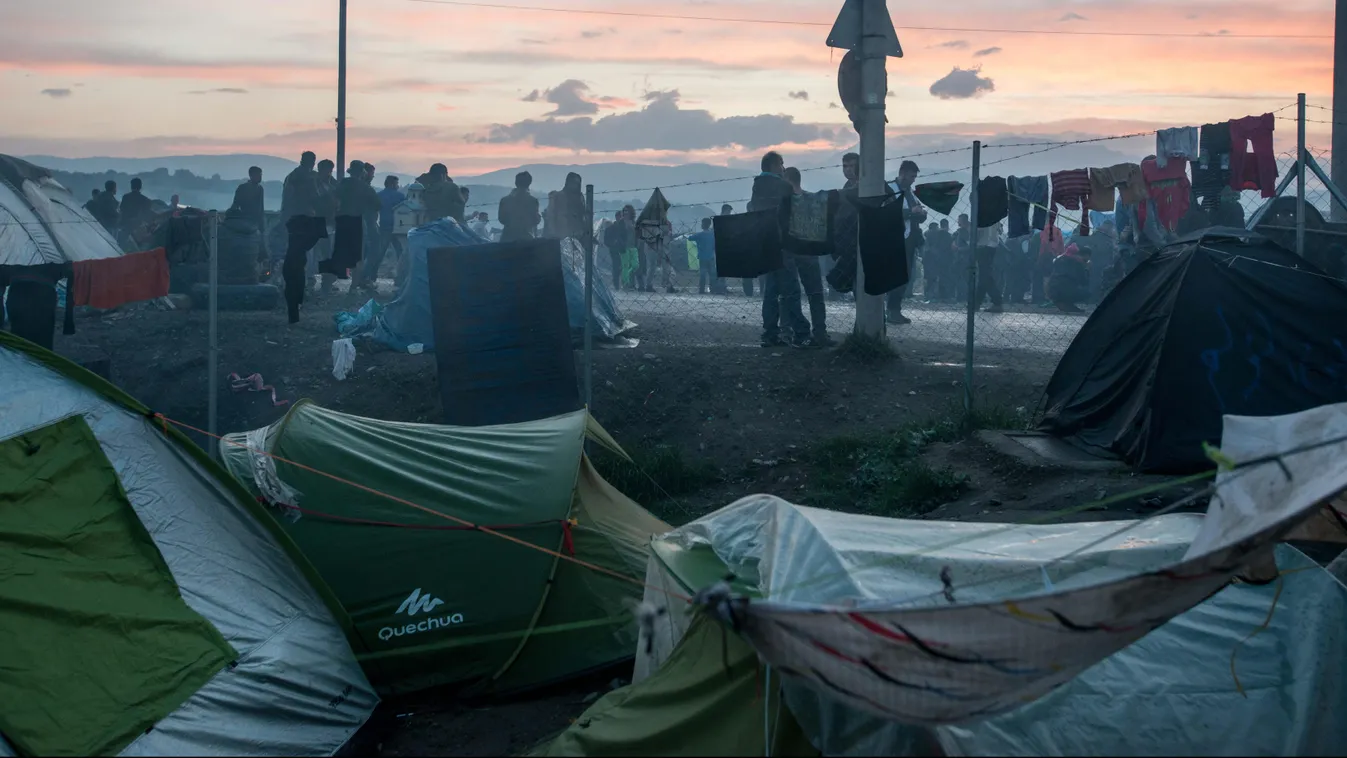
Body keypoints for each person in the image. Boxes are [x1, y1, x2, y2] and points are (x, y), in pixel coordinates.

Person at [750, 151, 809, 348]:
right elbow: (795, 211)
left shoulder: (757, 185)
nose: (784, 168)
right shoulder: (783, 186)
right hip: (784, 244)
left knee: (771, 290)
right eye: (782, 164)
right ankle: (801, 332)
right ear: (775, 166)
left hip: (765, 244)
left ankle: (770, 333)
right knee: (791, 290)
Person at [784, 166, 832, 346]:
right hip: (810, 250)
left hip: (790, 251)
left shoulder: (784, 201)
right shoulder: (813, 199)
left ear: (787, 181)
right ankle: (820, 332)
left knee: (790, 294)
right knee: (815, 294)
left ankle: (793, 332)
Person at [887, 160, 926, 325]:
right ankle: (890, 311)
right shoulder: (889, 189)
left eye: (915, 177)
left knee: (905, 277)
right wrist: (911, 212)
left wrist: (919, 213)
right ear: (902, 174)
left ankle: (894, 310)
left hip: (909, 240)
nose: (913, 180)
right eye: (911, 176)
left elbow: (919, 215)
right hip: (891, 239)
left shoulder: (910, 193)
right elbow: (887, 212)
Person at [356, 175, 406, 292]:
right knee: (401, 253)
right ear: (393, 184)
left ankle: (370, 277)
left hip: (384, 226)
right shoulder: (400, 196)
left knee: (379, 253)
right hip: (399, 228)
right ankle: (401, 278)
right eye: (397, 184)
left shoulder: (379, 195)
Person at [230, 167, 268, 263]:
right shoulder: (243, 188)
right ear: (251, 175)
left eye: (261, 174)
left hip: (256, 223)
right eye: (258, 174)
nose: (260, 177)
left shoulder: (260, 189)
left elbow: (260, 208)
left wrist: (261, 223)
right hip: (246, 222)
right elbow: (236, 205)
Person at [498, 171, 541, 243]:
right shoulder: (533, 201)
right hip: (526, 239)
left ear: (515, 183)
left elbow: (501, 219)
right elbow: (535, 220)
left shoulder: (504, 200)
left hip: (507, 238)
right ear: (529, 183)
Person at [545, 172, 587, 241]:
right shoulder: (558, 196)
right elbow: (551, 215)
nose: (575, 185)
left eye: (577, 183)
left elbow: (583, 216)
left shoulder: (580, 197)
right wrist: (553, 233)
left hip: (579, 234)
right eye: (573, 183)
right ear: (567, 183)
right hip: (561, 234)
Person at [1049, 243, 1091, 313]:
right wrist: (1087, 269)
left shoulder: (1058, 259)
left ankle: (1063, 303)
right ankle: (1067, 304)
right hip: (1068, 290)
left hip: (1052, 290)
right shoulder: (1078, 263)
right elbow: (1084, 282)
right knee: (1087, 293)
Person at [689, 217, 726, 295]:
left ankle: (701, 290)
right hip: (711, 257)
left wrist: (692, 233)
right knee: (712, 274)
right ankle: (713, 289)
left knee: (703, 274)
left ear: (703, 224)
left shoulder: (699, 235)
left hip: (702, 257)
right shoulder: (712, 234)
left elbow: (690, 238)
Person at [974, 221, 1004, 313]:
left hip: (983, 245)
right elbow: (1000, 230)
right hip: (992, 245)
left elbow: (978, 231)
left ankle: (997, 301)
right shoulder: (995, 214)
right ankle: (977, 302)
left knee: (985, 275)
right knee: (984, 275)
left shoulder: (981, 212)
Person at [118, 177, 154, 249]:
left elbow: (121, 209)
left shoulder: (125, 197)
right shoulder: (144, 199)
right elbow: (147, 214)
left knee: (121, 246)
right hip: (138, 227)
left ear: (131, 186)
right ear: (140, 187)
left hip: (126, 225)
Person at [603, 209, 633, 290]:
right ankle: (617, 284)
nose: (621, 218)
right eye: (619, 216)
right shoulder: (611, 228)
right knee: (616, 267)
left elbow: (630, 238)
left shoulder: (626, 228)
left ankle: (625, 284)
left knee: (625, 267)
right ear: (616, 217)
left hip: (624, 250)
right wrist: (613, 243)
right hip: (615, 251)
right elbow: (606, 240)